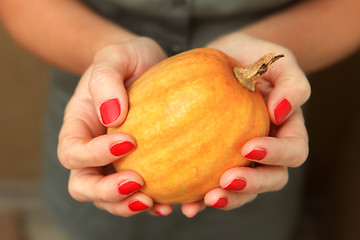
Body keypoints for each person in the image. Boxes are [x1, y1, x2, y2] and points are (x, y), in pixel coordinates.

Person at [0, 0, 359, 239]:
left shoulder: (256, 107)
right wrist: (104, 56)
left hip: (260, 124)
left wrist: (272, 47)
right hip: (103, 102)